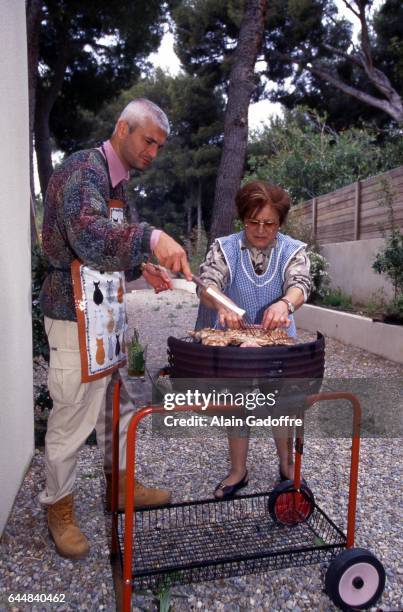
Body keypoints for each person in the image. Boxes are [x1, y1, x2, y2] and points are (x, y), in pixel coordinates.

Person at [39, 98, 192, 559]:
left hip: (103, 318)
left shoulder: (118, 187)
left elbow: (103, 255)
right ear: (121, 128)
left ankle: (120, 487)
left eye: (160, 146)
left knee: (116, 409)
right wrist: (150, 237)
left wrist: (140, 268)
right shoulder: (82, 169)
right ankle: (58, 507)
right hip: (72, 318)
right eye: (149, 141)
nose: (153, 153)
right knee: (72, 415)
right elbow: (85, 234)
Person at [197, 180, 311, 499]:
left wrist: (285, 303)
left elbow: (300, 284)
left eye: (269, 223)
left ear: (280, 222)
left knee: (283, 404)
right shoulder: (224, 247)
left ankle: (287, 468)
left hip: (278, 346)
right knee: (236, 405)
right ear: (243, 219)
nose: (261, 230)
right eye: (253, 222)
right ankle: (238, 471)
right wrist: (219, 302)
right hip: (235, 345)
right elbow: (206, 284)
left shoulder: (294, 251)